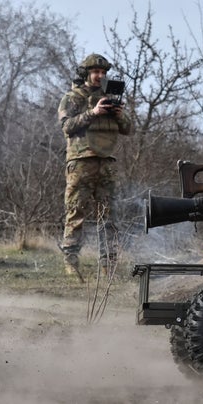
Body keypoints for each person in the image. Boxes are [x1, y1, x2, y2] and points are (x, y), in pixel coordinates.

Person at [58, 53, 133, 281]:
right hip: (81, 163)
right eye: (95, 72)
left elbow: (128, 129)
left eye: (102, 72)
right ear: (87, 73)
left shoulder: (110, 97)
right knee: (75, 213)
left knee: (107, 218)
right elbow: (67, 126)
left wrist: (119, 115)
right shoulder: (73, 97)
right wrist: (93, 113)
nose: (100, 76)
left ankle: (107, 267)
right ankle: (71, 264)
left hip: (106, 164)